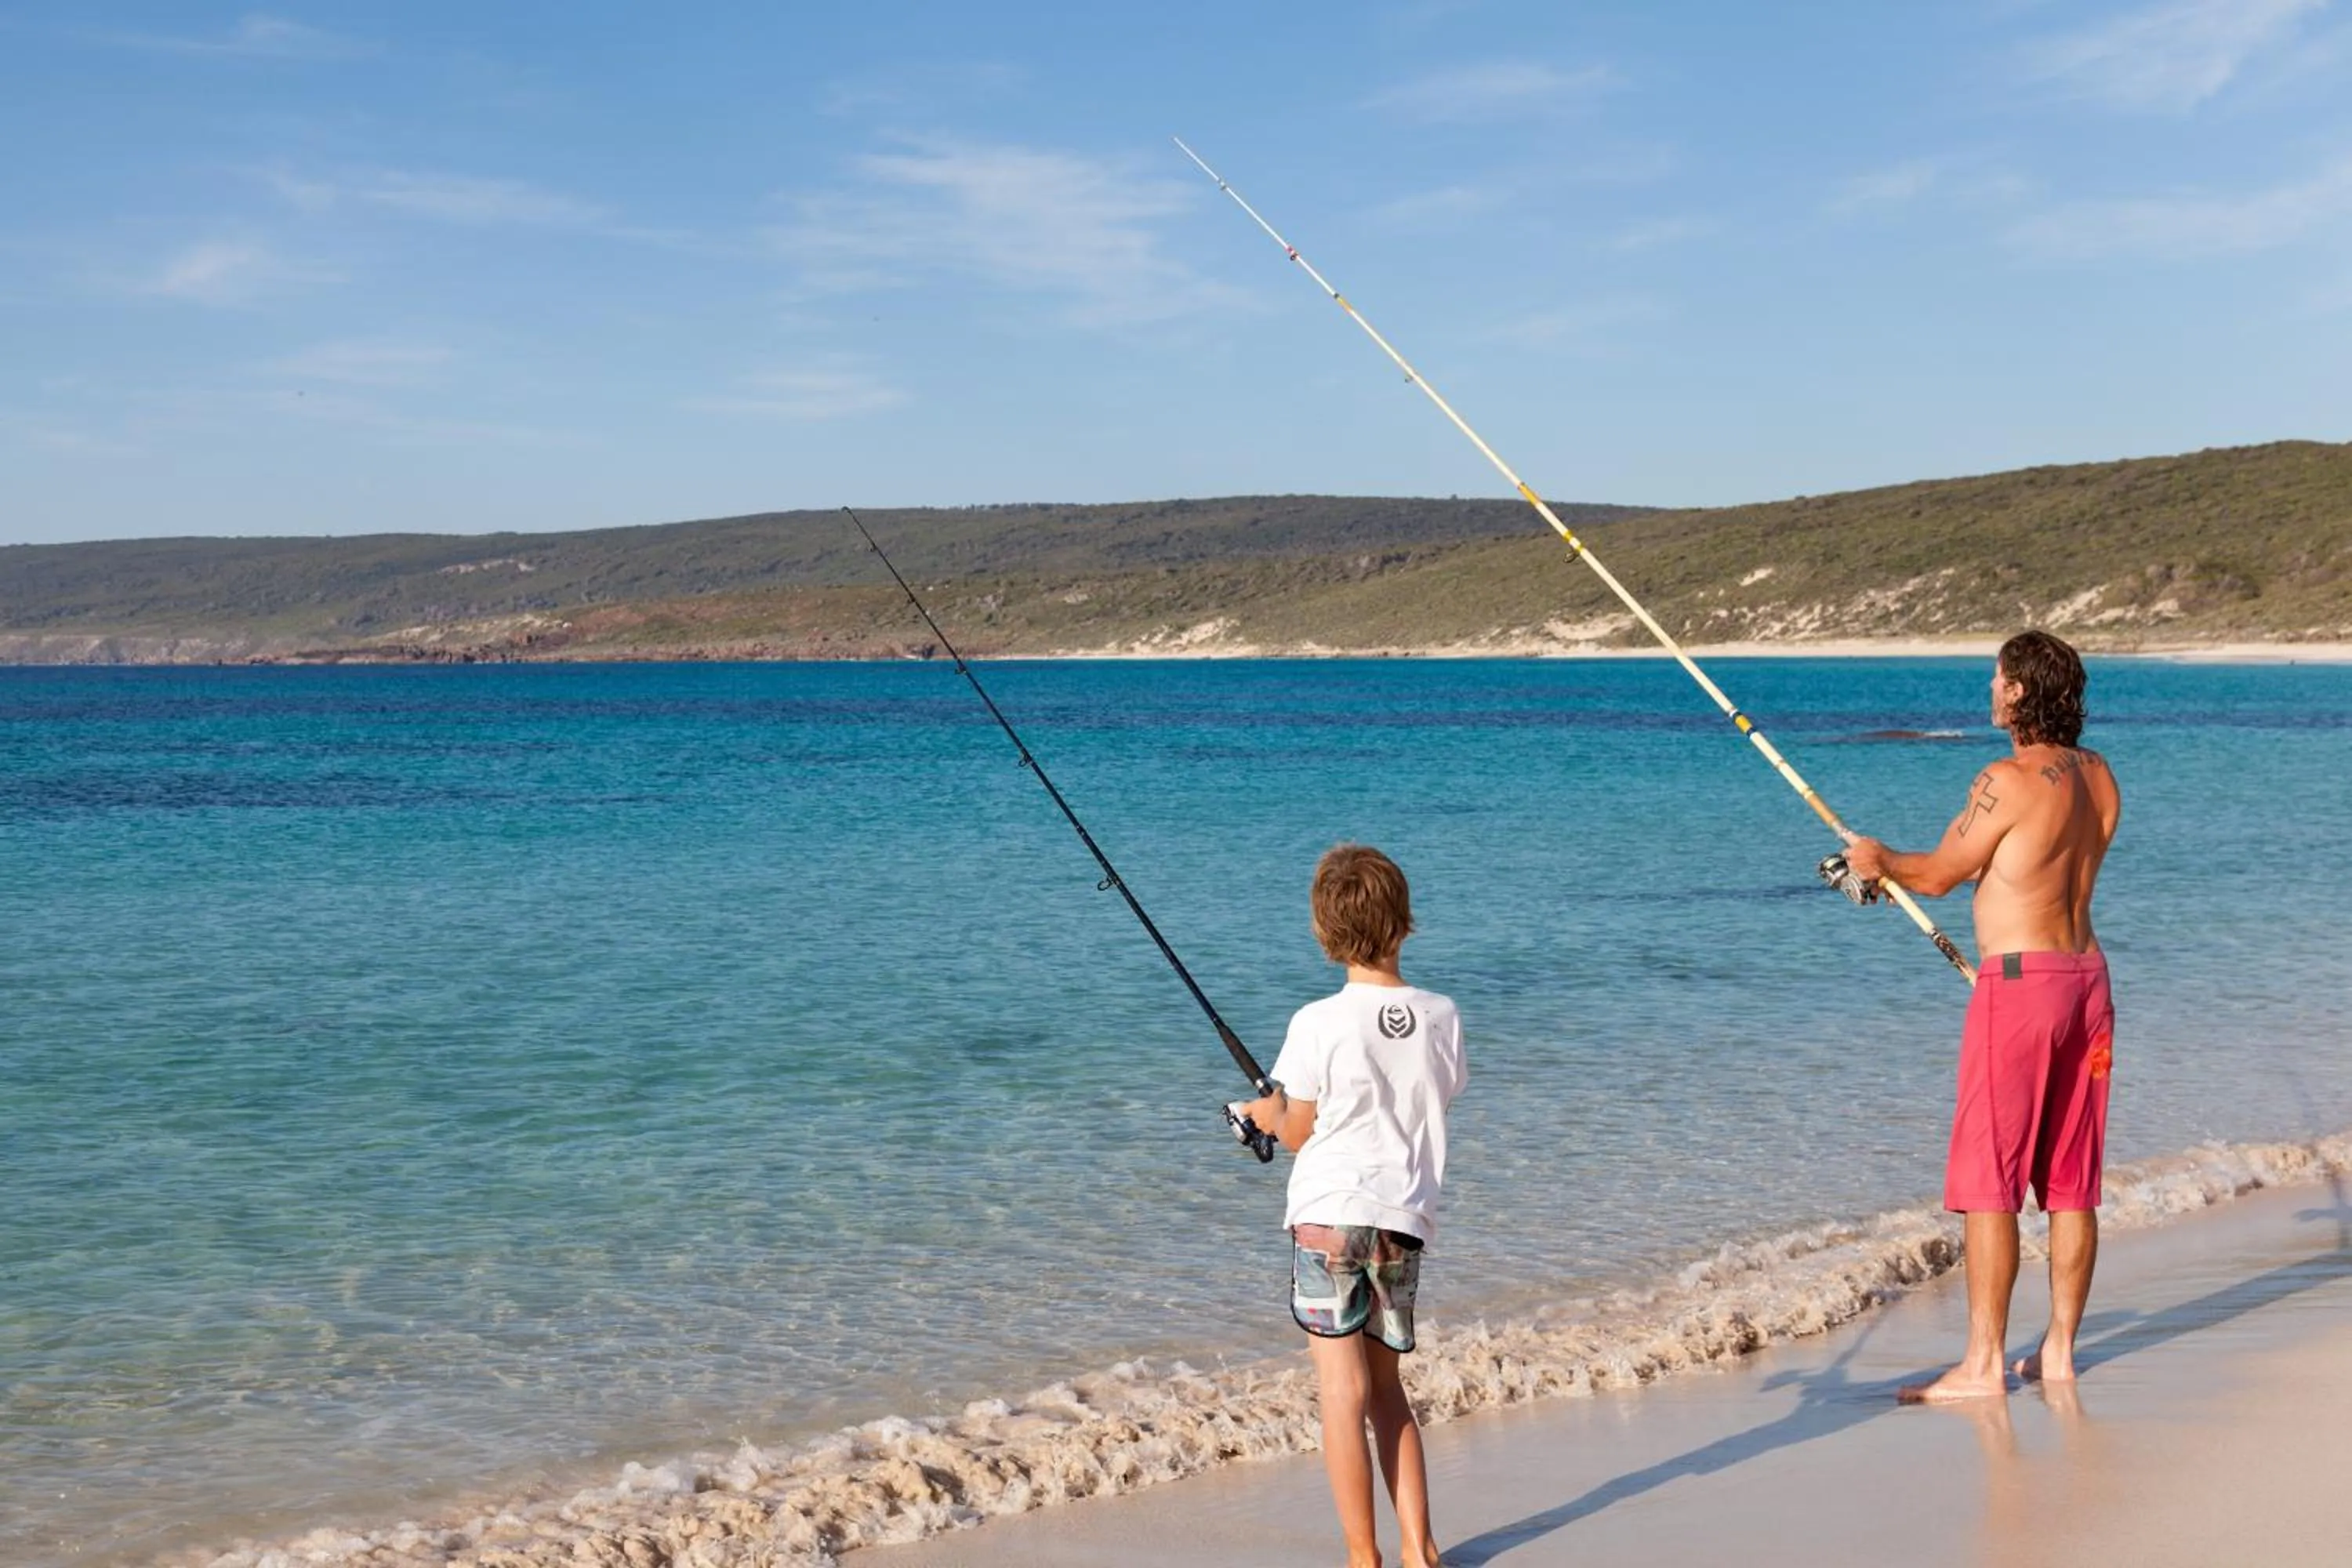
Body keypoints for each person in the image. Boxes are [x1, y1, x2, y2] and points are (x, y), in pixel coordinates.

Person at [1842, 630, 2121, 1403]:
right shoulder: (2100, 776)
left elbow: (1937, 874)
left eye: (1998, 679)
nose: (1989, 690)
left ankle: (1982, 1363)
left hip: (2021, 987)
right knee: (2072, 1180)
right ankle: (2060, 1348)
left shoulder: (2005, 777)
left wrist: (1876, 856)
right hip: (2087, 981)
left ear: (2022, 691)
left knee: (1989, 1181)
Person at [1232, 844, 1466, 1568]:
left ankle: (1363, 1559)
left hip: (1330, 1218)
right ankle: (1419, 1552)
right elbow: (1435, 1092)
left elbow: (1299, 1132)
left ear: (1323, 933)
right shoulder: (1441, 1014)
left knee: (1341, 1391)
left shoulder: (1316, 1022)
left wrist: (1259, 1114)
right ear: (1404, 923)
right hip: (1402, 1221)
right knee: (1388, 1389)